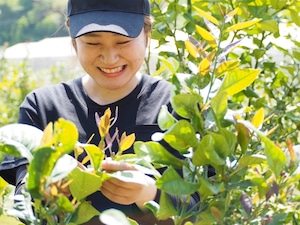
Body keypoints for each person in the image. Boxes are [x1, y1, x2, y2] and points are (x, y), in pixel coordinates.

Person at [0, 0, 200, 224]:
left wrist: (150, 193)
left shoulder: (178, 107)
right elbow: (24, 203)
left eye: (123, 42)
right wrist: (47, 188)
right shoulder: (42, 108)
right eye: (93, 43)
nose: (109, 57)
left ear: (147, 35)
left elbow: (203, 206)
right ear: (74, 40)